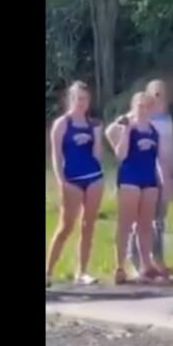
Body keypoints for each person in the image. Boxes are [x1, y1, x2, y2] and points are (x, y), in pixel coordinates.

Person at [105, 92, 173, 284]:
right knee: (125, 224)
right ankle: (119, 266)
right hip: (129, 179)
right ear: (133, 107)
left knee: (146, 225)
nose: (143, 110)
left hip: (149, 180)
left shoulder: (154, 131)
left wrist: (166, 182)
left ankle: (145, 265)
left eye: (147, 107)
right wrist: (127, 129)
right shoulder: (128, 127)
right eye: (140, 106)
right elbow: (121, 154)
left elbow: (160, 159)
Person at [46, 81, 104, 287]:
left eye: (85, 99)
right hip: (72, 179)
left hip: (93, 176)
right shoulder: (62, 124)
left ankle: (82, 271)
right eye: (78, 99)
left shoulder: (93, 124)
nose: (82, 103)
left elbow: (97, 154)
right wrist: (62, 180)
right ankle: (48, 271)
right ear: (71, 99)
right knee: (66, 226)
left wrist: (98, 135)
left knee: (88, 225)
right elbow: (56, 155)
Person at [124, 79, 173, 278]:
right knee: (140, 221)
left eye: (163, 93)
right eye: (156, 94)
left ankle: (158, 261)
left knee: (159, 222)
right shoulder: (140, 116)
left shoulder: (166, 118)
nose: (160, 98)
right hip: (147, 173)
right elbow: (118, 128)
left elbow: (169, 148)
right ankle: (135, 262)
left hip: (166, 173)